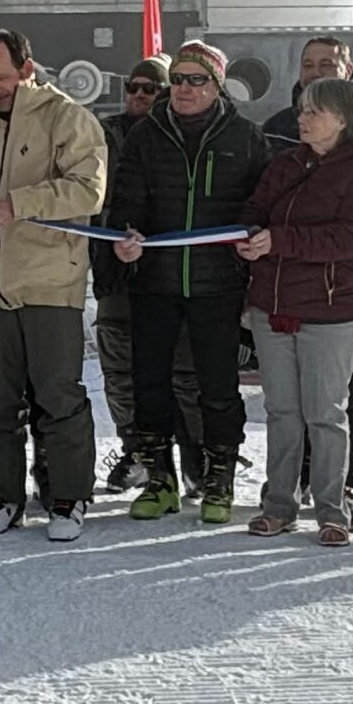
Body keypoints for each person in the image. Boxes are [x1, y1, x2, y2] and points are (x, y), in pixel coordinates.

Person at [0, 29, 108, 540]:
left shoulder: (67, 118)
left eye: (3, 78)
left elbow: (89, 190)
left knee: (58, 396)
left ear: (27, 68)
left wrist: (24, 202)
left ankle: (67, 497)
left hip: (50, 285)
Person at [109, 39, 270, 525]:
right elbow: (126, 201)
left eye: (195, 79)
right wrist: (125, 240)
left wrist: (254, 240)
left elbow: (259, 206)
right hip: (154, 282)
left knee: (217, 386)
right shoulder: (146, 134)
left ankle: (219, 477)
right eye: (177, 79)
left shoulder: (245, 136)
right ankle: (160, 479)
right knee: (149, 383)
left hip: (217, 284)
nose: (183, 88)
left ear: (216, 86)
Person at [238, 77, 353, 545]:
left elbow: (351, 238)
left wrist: (279, 241)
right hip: (274, 306)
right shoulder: (286, 163)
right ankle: (278, 505)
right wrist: (245, 235)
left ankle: (331, 510)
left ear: (342, 119)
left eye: (313, 112)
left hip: (331, 312)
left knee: (326, 413)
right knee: (282, 411)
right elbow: (255, 207)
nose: (302, 118)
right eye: (302, 110)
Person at [93, 54, 203, 494]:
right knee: (119, 369)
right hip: (116, 271)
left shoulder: (176, 134)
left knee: (181, 372)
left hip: (169, 273)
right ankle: (135, 450)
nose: (140, 95)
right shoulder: (105, 133)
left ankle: (194, 454)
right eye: (133, 87)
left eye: (150, 88)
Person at [260, 35, 353, 149]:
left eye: (326, 65)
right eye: (308, 65)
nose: (316, 72)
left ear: (348, 71)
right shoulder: (276, 129)